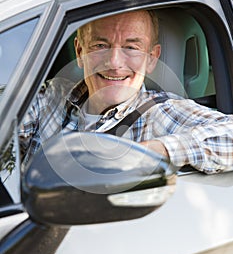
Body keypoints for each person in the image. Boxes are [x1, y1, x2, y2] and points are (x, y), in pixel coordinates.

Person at [19, 10, 233, 174]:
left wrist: (149, 152)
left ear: (151, 58)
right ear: (79, 51)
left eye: (131, 48)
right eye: (100, 45)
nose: (114, 62)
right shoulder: (50, 96)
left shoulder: (160, 113)